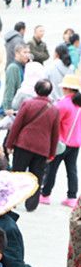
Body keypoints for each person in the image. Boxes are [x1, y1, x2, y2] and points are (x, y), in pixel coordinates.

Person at [6, 80, 61, 211]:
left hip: (23, 144)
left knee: (17, 173)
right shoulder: (54, 110)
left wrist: (9, 143)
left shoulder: (28, 104)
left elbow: (16, 125)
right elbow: (55, 134)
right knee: (36, 177)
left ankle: (12, 200)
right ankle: (31, 204)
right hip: (42, 148)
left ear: (36, 89)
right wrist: (52, 153)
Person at [40, 74, 81, 208]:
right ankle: (72, 197)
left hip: (60, 143)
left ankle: (45, 195)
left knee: (52, 169)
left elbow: (53, 123)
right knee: (72, 170)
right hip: (75, 143)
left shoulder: (63, 104)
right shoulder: (78, 104)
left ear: (67, 89)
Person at [2, 44, 31, 114]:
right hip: (13, 108)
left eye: (28, 52)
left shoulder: (26, 66)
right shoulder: (13, 68)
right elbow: (10, 89)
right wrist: (8, 108)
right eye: (24, 52)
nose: (27, 55)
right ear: (17, 54)